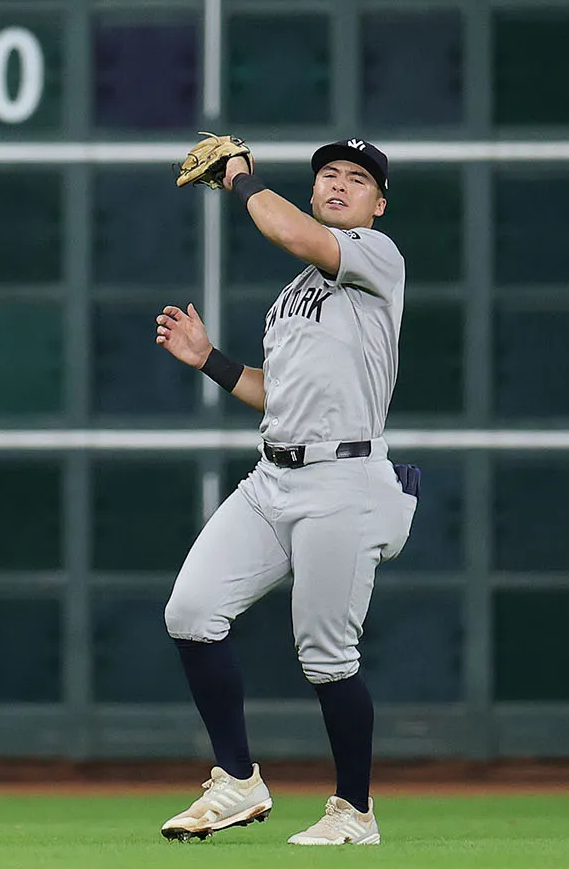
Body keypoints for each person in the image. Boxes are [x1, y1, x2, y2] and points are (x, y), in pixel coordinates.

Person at [152, 137, 419, 846]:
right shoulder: (294, 295)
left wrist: (240, 175)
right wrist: (207, 358)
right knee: (192, 610)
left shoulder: (377, 257)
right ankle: (238, 781)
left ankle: (354, 813)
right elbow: (276, 397)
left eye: (355, 179)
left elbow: (281, 226)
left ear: (377, 203)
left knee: (326, 656)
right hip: (276, 474)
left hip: (345, 479)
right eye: (327, 174)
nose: (337, 185)